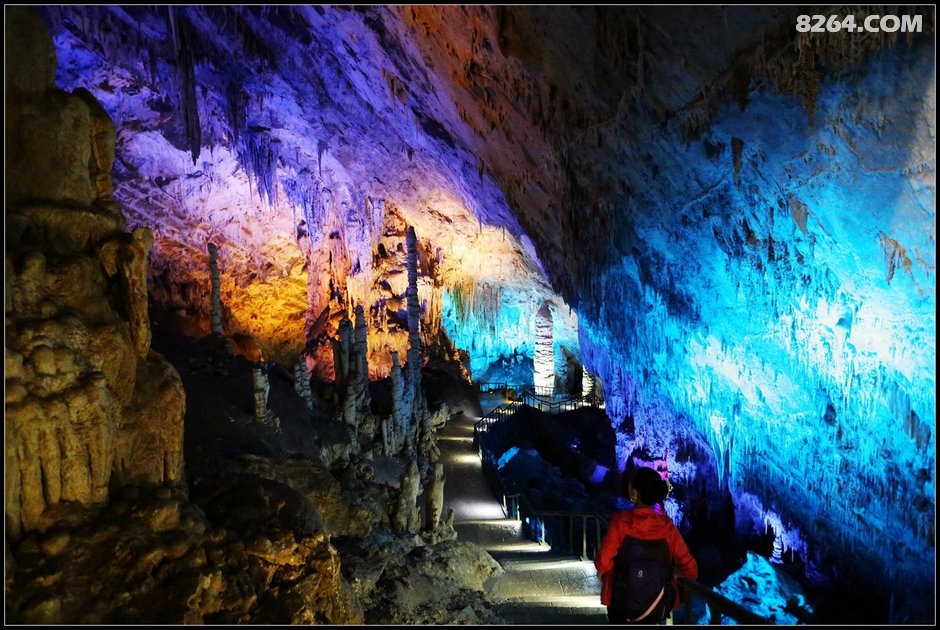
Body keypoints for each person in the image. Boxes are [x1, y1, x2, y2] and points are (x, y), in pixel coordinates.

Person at [595, 466, 698, 624]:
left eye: (630, 487)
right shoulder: (667, 528)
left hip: (621, 603)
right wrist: (677, 573)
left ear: (635, 493)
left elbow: (603, 561)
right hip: (657, 604)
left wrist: (606, 572)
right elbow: (691, 570)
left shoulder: (620, 523)